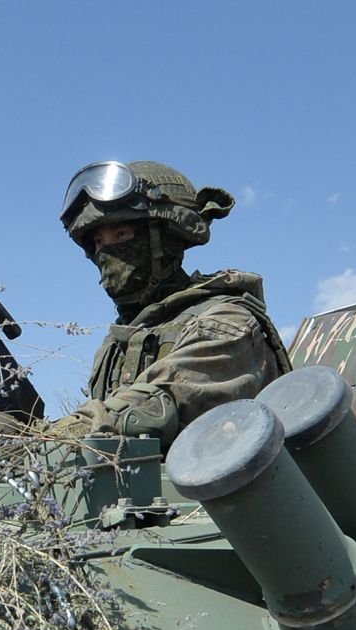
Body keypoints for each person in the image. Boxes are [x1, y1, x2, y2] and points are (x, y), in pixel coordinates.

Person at [53, 160, 291, 451]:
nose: (106, 252)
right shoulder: (117, 344)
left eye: (121, 235)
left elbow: (156, 407)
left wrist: (57, 434)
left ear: (164, 238)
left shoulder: (225, 321)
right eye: (99, 242)